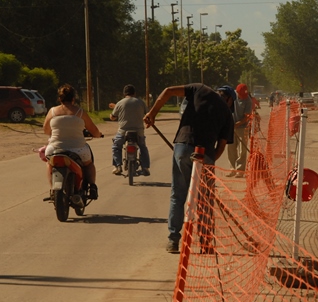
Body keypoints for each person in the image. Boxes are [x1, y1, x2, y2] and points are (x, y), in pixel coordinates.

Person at [143, 83, 234, 253]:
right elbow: (221, 147)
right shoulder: (228, 113)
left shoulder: (199, 89)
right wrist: (208, 162)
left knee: (178, 196)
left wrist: (152, 113)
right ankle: (206, 243)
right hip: (205, 154)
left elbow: (167, 91)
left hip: (183, 147)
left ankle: (173, 240)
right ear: (229, 100)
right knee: (204, 200)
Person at [43, 84, 103, 199]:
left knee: (49, 163)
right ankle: (92, 186)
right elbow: (94, 131)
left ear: (60, 99)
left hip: (54, 149)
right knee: (88, 164)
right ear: (73, 99)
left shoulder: (52, 112)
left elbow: (46, 130)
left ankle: (52, 190)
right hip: (78, 150)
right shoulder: (80, 112)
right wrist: (98, 135)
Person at [108, 84, 150, 176]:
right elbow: (148, 115)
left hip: (123, 131)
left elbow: (113, 117)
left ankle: (117, 166)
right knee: (142, 147)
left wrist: (111, 115)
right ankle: (145, 167)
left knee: (116, 147)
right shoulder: (141, 102)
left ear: (124, 94)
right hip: (139, 131)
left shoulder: (120, 103)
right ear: (134, 93)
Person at [226, 83, 253, 178]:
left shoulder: (248, 101)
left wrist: (238, 124)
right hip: (231, 126)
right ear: (236, 92)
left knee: (242, 150)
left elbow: (247, 117)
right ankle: (232, 169)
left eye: (244, 95)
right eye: (241, 95)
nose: (243, 97)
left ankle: (240, 170)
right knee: (231, 148)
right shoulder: (231, 95)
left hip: (243, 127)